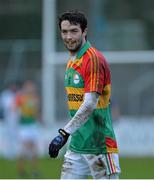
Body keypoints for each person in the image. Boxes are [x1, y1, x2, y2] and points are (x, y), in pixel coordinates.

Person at [49, 10, 121, 179]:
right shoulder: (72, 60)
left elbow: (90, 104)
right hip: (77, 146)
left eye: (74, 31)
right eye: (64, 32)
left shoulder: (93, 59)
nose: (69, 37)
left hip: (100, 147)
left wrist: (64, 133)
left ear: (84, 31)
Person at [15, 80, 41, 178]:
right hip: (24, 125)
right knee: (25, 148)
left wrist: (39, 119)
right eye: (29, 87)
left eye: (32, 87)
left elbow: (36, 111)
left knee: (34, 149)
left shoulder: (35, 98)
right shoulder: (21, 98)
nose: (31, 88)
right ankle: (21, 169)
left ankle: (34, 170)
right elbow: (15, 109)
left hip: (33, 124)